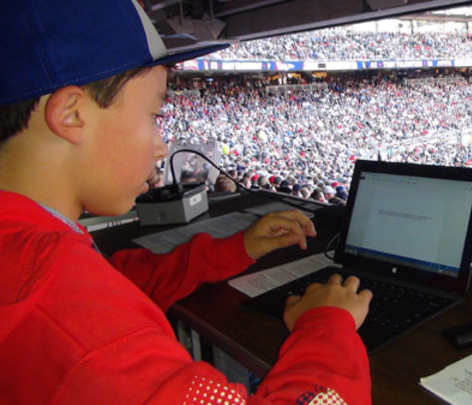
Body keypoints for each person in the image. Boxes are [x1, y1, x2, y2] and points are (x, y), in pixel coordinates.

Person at [0, 2, 372, 405]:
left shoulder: (29, 251)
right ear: (72, 115)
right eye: (155, 113)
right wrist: (326, 324)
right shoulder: (65, 310)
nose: (161, 146)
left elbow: (120, 284)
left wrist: (237, 249)